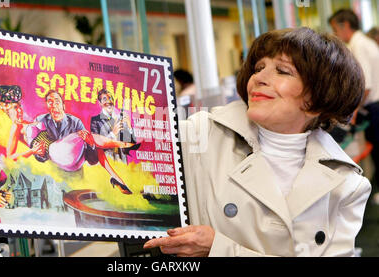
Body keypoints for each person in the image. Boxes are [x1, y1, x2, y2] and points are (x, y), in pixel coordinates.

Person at [144, 27, 371, 256]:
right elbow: (131, 137)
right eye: (258, 68)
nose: (259, 78)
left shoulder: (346, 185)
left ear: (319, 95)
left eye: (282, 71)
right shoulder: (201, 134)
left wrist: (219, 250)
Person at [0, 87, 134, 195]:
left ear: (63, 104)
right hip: (56, 157)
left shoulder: (69, 121)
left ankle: (116, 176)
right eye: (15, 108)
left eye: (19, 106)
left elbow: (92, 158)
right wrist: (32, 151)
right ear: (6, 110)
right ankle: (122, 145)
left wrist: (90, 144)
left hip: (75, 163)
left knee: (91, 141)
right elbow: (10, 157)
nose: (19, 111)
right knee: (84, 136)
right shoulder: (25, 124)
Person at [329, 9, 379, 204]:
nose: (335, 34)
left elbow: (365, 87)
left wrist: (352, 110)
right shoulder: (366, 42)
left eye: (335, 29)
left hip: (375, 106)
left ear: (345, 26)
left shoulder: (358, 44)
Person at [90, 89, 137, 163]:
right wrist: (113, 134)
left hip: (122, 165)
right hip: (107, 165)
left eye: (110, 98)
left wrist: (129, 126)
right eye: (105, 99)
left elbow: (131, 146)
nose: (108, 101)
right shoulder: (95, 121)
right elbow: (96, 146)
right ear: (100, 103)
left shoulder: (120, 119)